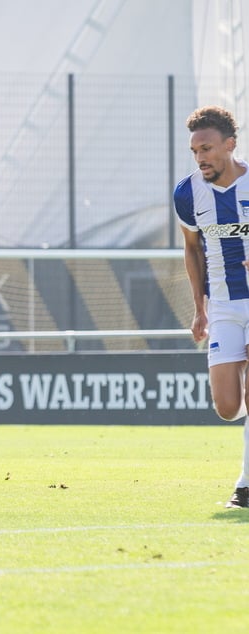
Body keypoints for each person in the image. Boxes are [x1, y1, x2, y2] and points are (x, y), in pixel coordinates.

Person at [175, 105, 249, 509]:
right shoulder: (187, 193)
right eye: (194, 151)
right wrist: (199, 309)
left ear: (230, 145)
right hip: (222, 307)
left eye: (206, 148)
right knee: (227, 408)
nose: (200, 157)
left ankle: (245, 487)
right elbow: (191, 249)